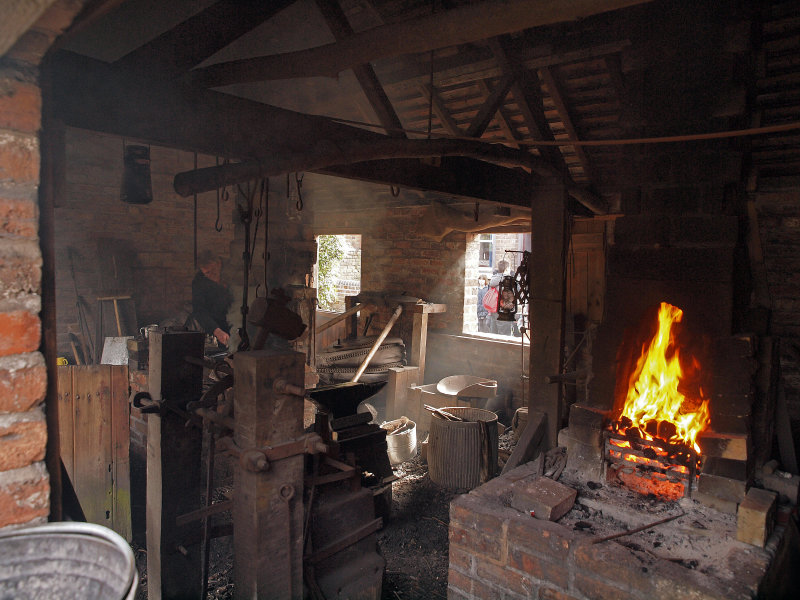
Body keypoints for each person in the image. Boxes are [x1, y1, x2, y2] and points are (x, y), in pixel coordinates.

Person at [192, 250, 233, 347]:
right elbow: (199, 310)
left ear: (219, 264)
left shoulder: (232, 270)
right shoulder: (199, 282)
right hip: (218, 326)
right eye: (207, 273)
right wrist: (216, 331)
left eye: (213, 271)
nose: (211, 275)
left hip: (239, 322)